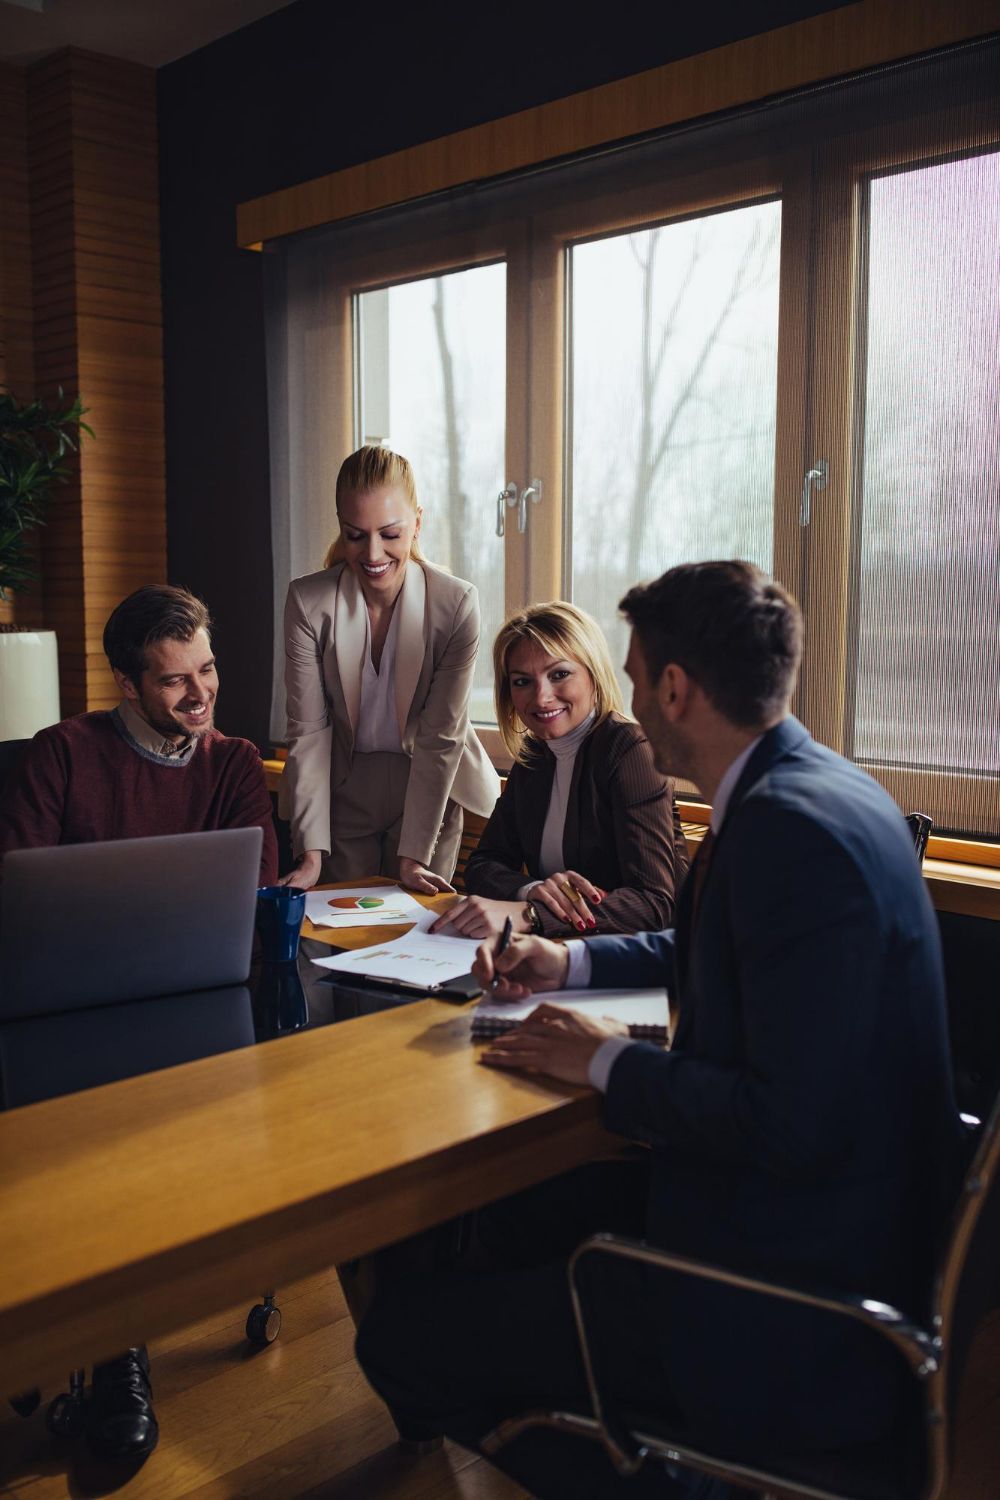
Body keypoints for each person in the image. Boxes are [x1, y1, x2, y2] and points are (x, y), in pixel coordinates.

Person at [355, 560, 965, 1500]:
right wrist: (571, 962)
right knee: (502, 1218)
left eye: (633, 675)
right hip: (810, 1227)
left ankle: (675, 1479)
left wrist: (601, 1061)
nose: (628, 695)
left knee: (398, 1337)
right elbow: (710, 945)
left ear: (674, 687)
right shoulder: (814, 788)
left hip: (783, 1301)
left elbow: (788, 1123)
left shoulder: (786, 832)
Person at [0, 583, 277, 1464]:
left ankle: (102, 1344)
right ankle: (104, 1348)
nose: (200, 697)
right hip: (67, 1005)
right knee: (83, 1116)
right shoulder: (61, 755)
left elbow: (252, 890)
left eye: (207, 672)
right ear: (127, 684)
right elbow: (21, 901)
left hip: (197, 999)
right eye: (173, 683)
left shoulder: (232, 763)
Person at [279, 445, 499, 893]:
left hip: (427, 784)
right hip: (345, 783)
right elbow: (309, 732)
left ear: (418, 522)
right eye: (355, 535)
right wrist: (310, 853)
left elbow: (441, 737)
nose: (373, 553)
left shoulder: (455, 604)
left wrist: (415, 857)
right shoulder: (308, 602)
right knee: (336, 939)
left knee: (414, 938)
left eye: (390, 533)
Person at [431, 601, 687, 941]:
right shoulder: (536, 753)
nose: (541, 697)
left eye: (559, 674)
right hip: (563, 948)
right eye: (522, 681)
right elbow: (484, 865)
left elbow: (654, 905)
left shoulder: (630, 750)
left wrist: (531, 915)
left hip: (647, 958)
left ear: (593, 674)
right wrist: (532, 890)